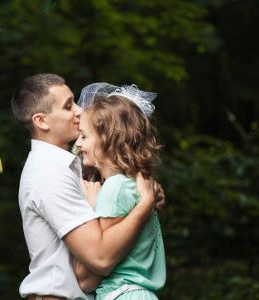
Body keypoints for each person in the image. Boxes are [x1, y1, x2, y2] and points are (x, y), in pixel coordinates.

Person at [11, 74, 162, 300]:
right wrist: (143, 206)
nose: (80, 110)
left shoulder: (70, 166)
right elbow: (100, 258)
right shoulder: (49, 173)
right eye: (68, 106)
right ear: (41, 121)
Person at [73, 83, 166, 300]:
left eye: (84, 136)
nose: (78, 143)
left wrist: (91, 207)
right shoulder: (131, 184)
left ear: (107, 140)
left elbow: (87, 278)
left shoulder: (114, 188)